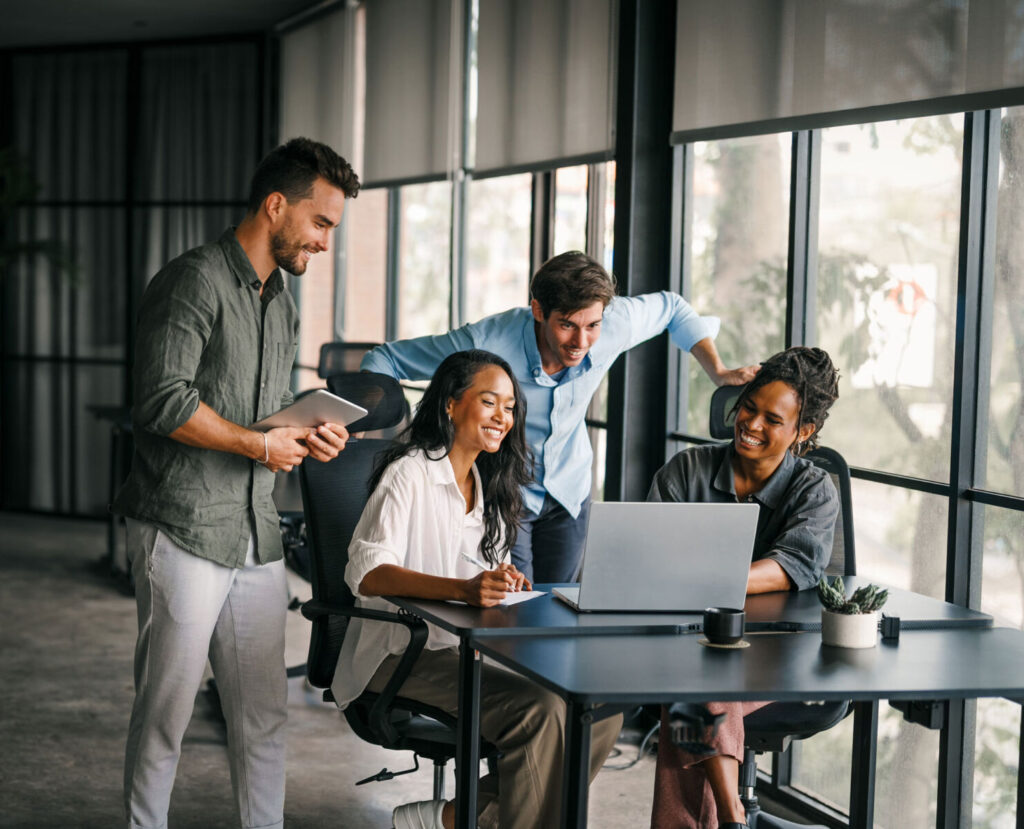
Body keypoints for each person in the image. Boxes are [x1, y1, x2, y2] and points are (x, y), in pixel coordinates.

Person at [111, 137, 360, 829]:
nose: (325, 242)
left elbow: (259, 416)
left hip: (256, 528)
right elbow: (162, 400)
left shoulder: (281, 301)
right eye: (321, 223)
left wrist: (307, 433)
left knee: (262, 717)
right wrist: (258, 442)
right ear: (276, 206)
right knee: (167, 711)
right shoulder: (192, 280)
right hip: (184, 525)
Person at [333, 349, 622, 829]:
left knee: (599, 707)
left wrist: (503, 582)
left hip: (468, 652)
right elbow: (366, 572)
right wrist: (463, 590)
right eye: (490, 402)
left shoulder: (488, 486)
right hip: (399, 656)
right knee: (541, 712)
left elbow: (483, 577)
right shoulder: (410, 472)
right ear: (451, 404)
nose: (503, 417)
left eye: (510, 407)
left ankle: (454, 818)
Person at [362, 251, 758, 584]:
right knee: (513, 613)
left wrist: (718, 372)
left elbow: (674, 307)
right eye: (567, 325)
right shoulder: (484, 343)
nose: (581, 343)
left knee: (557, 609)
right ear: (538, 310)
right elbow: (386, 359)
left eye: (592, 326)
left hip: (569, 493)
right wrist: (365, 431)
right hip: (506, 494)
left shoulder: (613, 323)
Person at [646, 346, 841, 829]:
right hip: (687, 653)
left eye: (772, 419)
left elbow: (789, 566)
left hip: (783, 661)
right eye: (748, 407)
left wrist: (693, 576)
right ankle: (733, 817)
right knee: (704, 678)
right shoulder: (686, 470)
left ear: (803, 432)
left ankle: (730, 817)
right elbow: (646, 557)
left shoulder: (814, 490)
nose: (750, 424)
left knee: (694, 696)